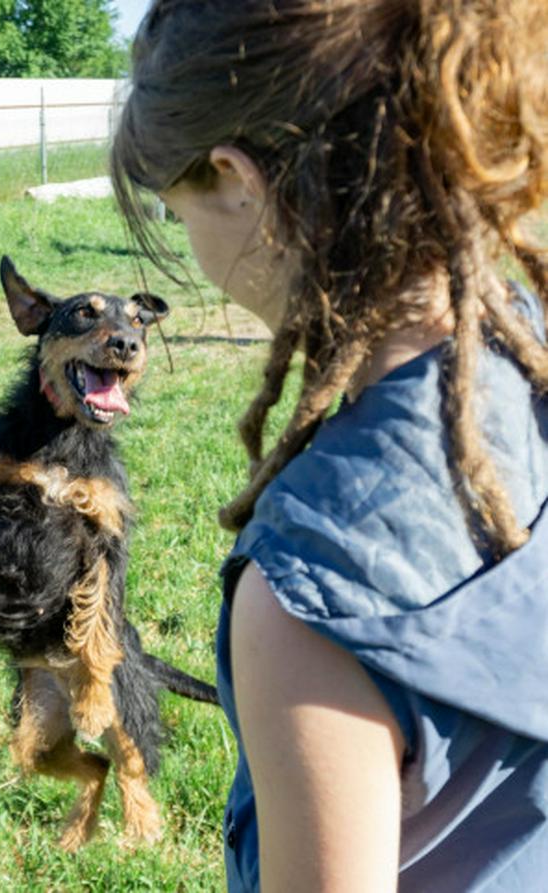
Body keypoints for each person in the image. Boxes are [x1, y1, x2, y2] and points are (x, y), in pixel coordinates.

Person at [111, 1, 548, 890]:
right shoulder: (531, 354)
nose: (191, 246)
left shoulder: (307, 592)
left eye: (176, 208)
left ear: (236, 177)